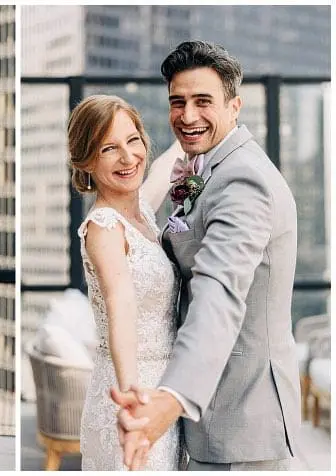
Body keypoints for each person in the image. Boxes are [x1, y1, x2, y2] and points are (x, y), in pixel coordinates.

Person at [113, 40, 300, 471]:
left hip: (241, 415)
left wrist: (174, 395)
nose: (187, 115)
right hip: (217, 414)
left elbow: (218, 293)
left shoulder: (242, 183)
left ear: (235, 106)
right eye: (177, 102)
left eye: (203, 101)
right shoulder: (211, 166)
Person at [68, 94, 181, 470]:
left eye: (133, 141)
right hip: (133, 388)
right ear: (86, 161)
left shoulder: (139, 212)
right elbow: (121, 309)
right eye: (109, 149)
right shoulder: (104, 228)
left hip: (163, 390)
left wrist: (198, 126)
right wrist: (133, 395)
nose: (128, 157)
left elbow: (166, 168)